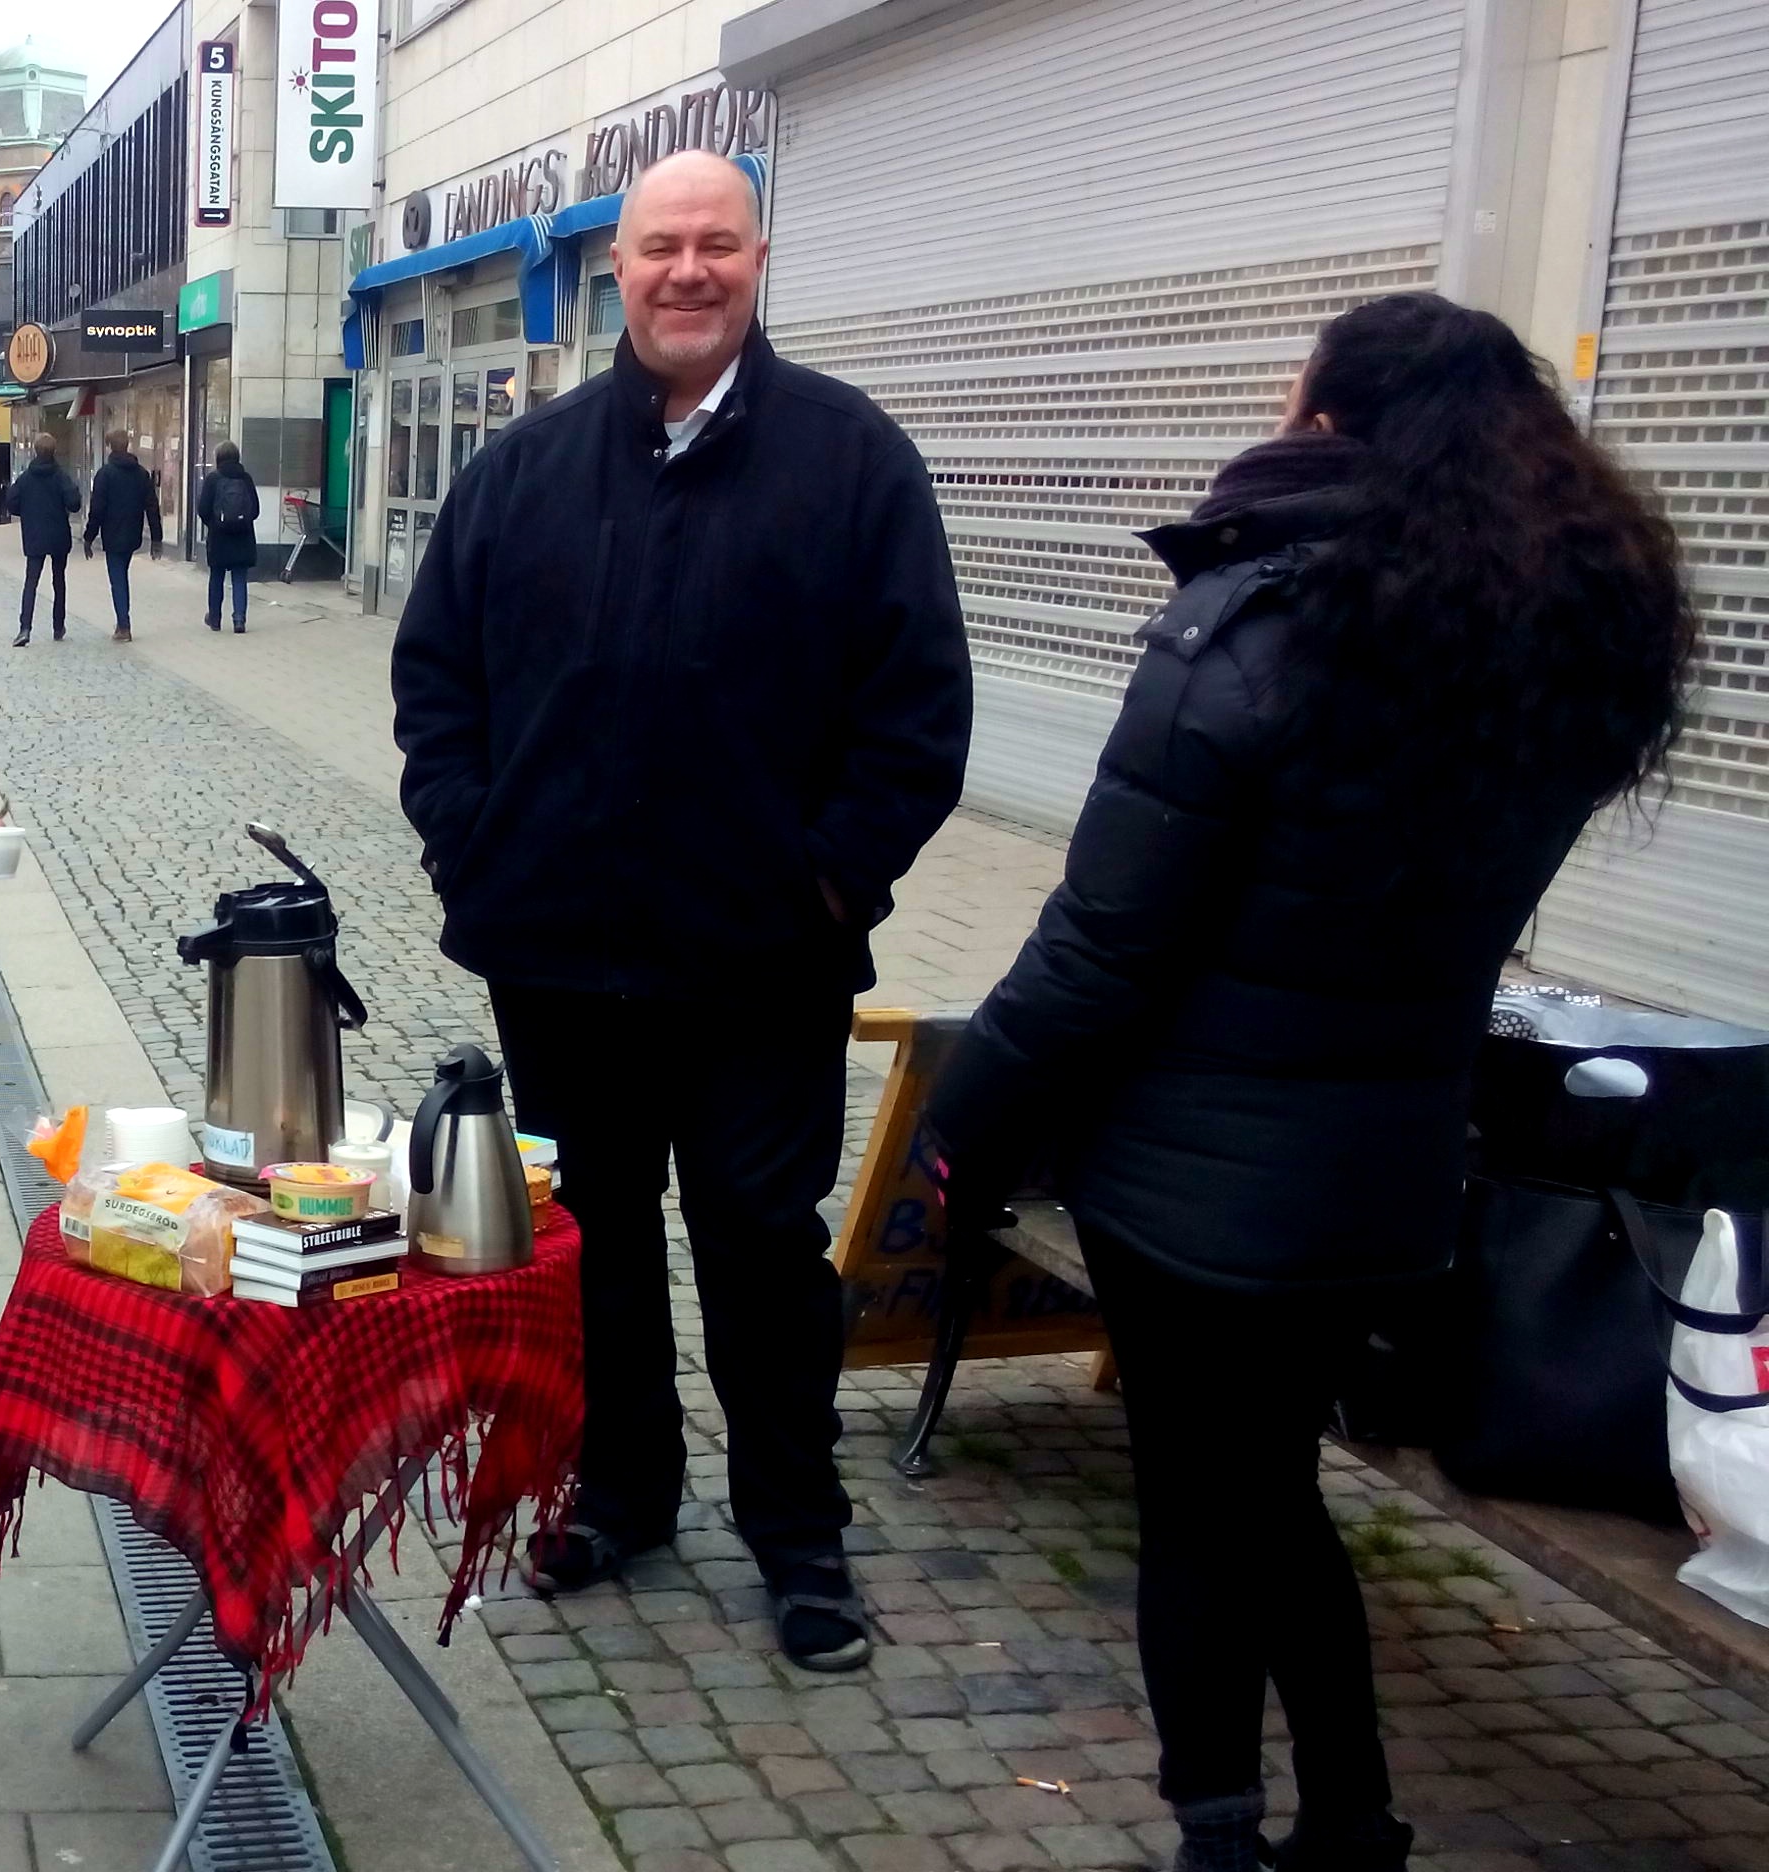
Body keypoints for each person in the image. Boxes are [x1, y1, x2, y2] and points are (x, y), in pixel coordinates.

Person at [921, 294, 1694, 1872]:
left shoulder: (1248, 631)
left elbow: (1098, 950)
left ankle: (1221, 1834)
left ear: (1330, 421)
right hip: (1386, 1180)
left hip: (1192, 1190)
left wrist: (960, 1124)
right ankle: (1352, 1822)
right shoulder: (1554, 646)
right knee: (1271, 1493)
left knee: (1207, 1514)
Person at [389, 151, 969, 1667]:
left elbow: (917, 716)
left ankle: (797, 1532)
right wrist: (473, 845)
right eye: (660, 247)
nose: (687, 271)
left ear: (759, 260)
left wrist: (826, 878)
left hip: (760, 962)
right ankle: (620, 1491)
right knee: (593, 1241)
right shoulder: (525, 469)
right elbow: (436, 682)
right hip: (556, 952)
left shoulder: (852, 462)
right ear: (618, 269)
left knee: (762, 1249)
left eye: (717, 244)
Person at [83, 430, 162, 643]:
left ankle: (124, 625)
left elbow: (97, 509)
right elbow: (152, 506)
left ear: (109, 446)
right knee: (121, 575)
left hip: (112, 533)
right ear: (127, 445)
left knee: (117, 579)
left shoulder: (105, 474)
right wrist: (156, 537)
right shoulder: (141, 474)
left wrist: (89, 536)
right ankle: (122, 622)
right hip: (133, 532)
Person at [6, 432, 78, 646]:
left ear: (35, 451)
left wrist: (27, 512)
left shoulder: (26, 478)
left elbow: (12, 502)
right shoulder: (61, 476)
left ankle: (25, 628)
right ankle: (58, 626)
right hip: (58, 535)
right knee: (59, 581)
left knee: (31, 582)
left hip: (34, 534)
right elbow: (74, 503)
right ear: (54, 451)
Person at [196, 443, 259, 633]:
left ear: (218, 458)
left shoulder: (213, 479)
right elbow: (255, 510)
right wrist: (242, 521)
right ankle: (239, 620)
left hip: (219, 537)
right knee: (239, 578)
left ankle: (215, 619)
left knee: (217, 577)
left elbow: (203, 509)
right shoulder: (246, 478)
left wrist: (214, 524)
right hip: (243, 536)